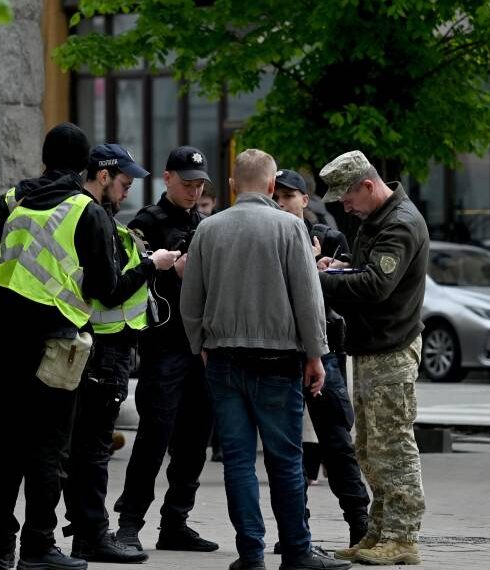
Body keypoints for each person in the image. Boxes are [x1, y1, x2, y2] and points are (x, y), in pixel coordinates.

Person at [0, 123, 158, 570]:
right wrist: (147, 268)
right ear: (89, 166)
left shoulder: (17, 202)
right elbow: (107, 289)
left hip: (9, 341)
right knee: (48, 448)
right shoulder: (83, 211)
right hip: (57, 345)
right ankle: (38, 547)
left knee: (7, 449)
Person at [180, 149, 351, 570]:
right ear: (273, 185)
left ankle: (250, 554)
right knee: (285, 459)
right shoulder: (291, 227)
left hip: (223, 357)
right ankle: (296, 550)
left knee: (238, 461)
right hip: (277, 359)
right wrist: (316, 354)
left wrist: (200, 344)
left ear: (234, 185)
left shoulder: (209, 229)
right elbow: (308, 299)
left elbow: (191, 300)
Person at [63, 144, 179, 564]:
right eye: (124, 181)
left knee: (83, 446)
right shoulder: (92, 214)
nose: (128, 189)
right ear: (103, 175)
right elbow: (107, 289)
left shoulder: (90, 213)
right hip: (103, 347)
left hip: (97, 345)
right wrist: (153, 266)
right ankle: (92, 535)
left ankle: (85, 529)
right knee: (92, 447)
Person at [317, 150, 428, 566]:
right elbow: (364, 272)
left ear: (367, 185)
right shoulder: (377, 218)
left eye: (346, 198)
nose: (343, 207)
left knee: (392, 446)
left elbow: (375, 286)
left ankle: (402, 538)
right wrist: (341, 266)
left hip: (390, 348)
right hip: (373, 345)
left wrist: (320, 278)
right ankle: (378, 533)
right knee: (368, 446)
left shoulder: (399, 224)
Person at [113, 145, 218, 553]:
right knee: (154, 436)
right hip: (164, 346)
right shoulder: (146, 223)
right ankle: (129, 524)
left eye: (200, 185)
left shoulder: (206, 224)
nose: (194, 192)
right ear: (167, 178)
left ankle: (176, 521)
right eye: (187, 184)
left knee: (195, 439)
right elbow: (130, 282)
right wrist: (169, 271)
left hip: (200, 347)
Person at [273, 169, 370, 547]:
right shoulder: (270, 236)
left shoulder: (327, 237)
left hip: (324, 350)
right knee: (288, 448)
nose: (282, 203)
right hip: (281, 350)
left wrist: (315, 267)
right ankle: (295, 531)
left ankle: (360, 524)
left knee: (337, 443)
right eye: (276, 196)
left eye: (288, 196)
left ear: (304, 198)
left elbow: (347, 293)